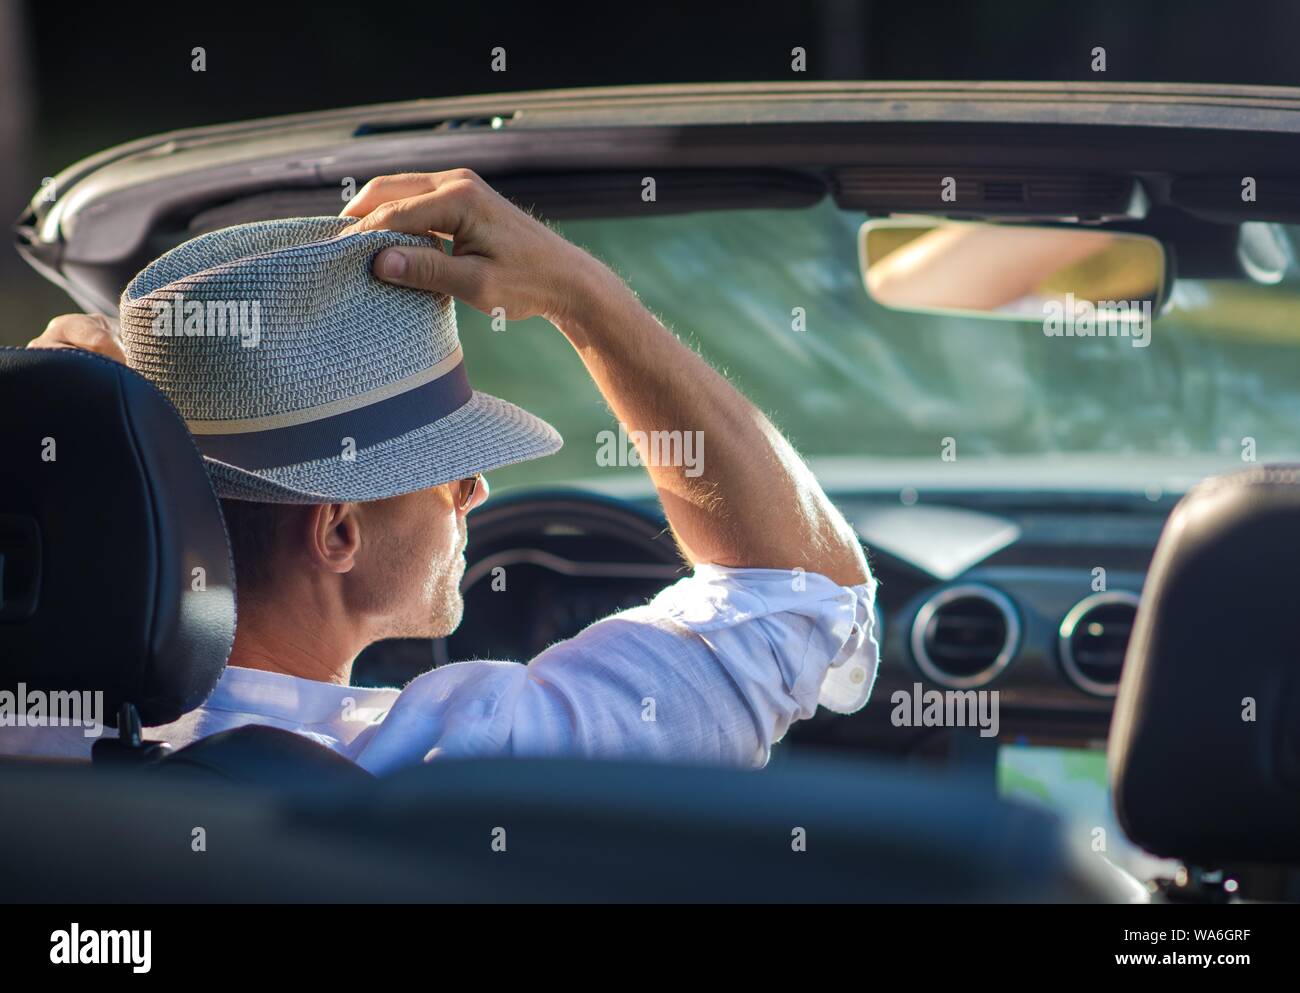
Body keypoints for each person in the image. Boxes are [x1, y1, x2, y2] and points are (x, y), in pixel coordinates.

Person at [8, 169, 878, 773]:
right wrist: (585, 297)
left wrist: (53, 440)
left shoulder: (31, 740)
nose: (477, 491)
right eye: (448, 468)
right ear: (338, 528)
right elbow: (805, 597)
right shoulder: (470, 761)